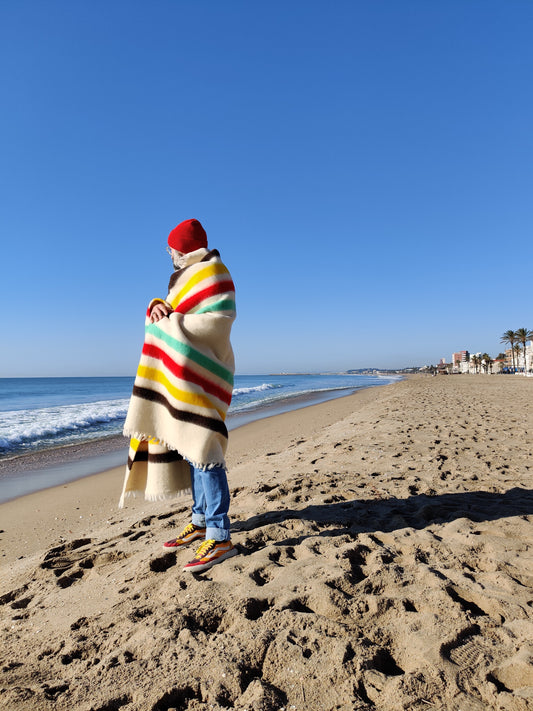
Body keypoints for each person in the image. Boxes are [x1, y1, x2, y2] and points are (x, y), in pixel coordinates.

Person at [120, 218, 238, 573]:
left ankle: (220, 537)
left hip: (204, 373)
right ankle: (201, 520)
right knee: (190, 448)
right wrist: (156, 305)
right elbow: (173, 308)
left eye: (172, 248)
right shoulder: (188, 276)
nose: (169, 254)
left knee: (206, 451)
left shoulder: (213, 273)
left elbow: (215, 320)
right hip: (185, 378)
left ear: (183, 248)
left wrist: (167, 323)